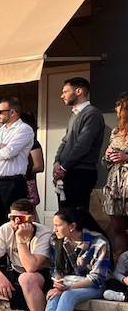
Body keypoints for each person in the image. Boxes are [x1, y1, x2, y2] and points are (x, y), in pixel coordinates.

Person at [12, 208, 110, 311]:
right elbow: (56, 270)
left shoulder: (99, 242)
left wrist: (68, 287)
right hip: (68, 283)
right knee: (53, 296)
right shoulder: (56, 240)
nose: (54, 229)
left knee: (68, 295)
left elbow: (97, 278)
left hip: (93, 286)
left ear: (71, 226)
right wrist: (58, 284)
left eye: (57, 225)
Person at [0, 98, 35, 236]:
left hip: (13, 183)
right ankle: (0, 257)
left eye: (0, 112)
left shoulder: (24, 130)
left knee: (14, 225)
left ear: (13, 113)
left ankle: (16, 256)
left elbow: (9, 152)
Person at [53, 78, 104, 213]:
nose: (62, 95)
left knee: (76, 218)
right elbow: (65, 140)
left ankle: (94, 235)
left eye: (65, 91)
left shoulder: (92, 114)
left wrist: (63, 167)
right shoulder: (74, 114)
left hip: (81, 172)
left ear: (79, 91)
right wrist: (57, 162)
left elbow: (83, 145)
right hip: (68, 172)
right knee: (65, 216)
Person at [101, 93, 128, 258]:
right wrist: (107, 155)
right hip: (115, 183)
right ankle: (121, 263)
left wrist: (126, 157)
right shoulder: (116, 132)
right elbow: (106, 162)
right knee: (117, 226)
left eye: (121, 112)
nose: (118, 115)